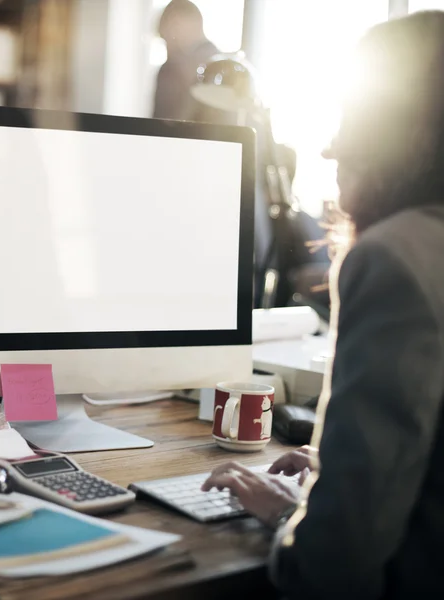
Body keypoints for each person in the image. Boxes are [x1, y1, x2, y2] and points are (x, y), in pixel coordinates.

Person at [202, 11, 444, 598]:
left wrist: (291, 515)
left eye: (351, 118)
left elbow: (336, 561)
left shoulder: (397, 258)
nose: (331, 146)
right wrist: (336, 474)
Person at [153, 0, 218, 121]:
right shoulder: (222, 66)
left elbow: (160, 128)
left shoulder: (171, 70)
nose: (168, 48)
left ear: (176, 24)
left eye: (166, 39)